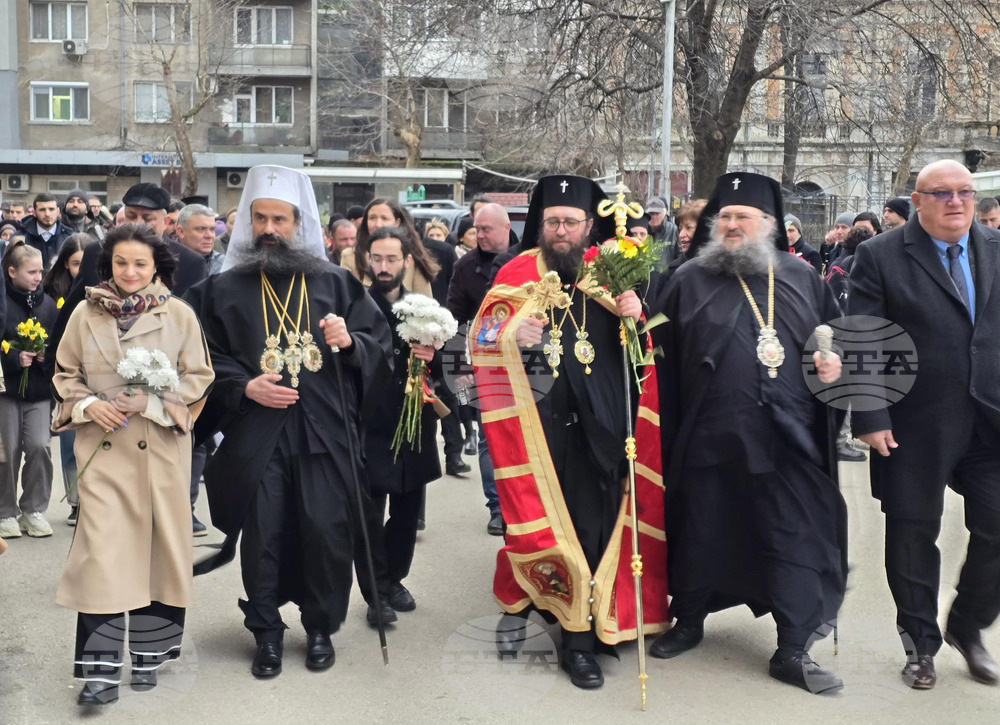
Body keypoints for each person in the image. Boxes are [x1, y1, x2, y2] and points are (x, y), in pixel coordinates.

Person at [186, 165, 392, 679]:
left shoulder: (337, 282)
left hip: (325, 433)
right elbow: (199, 355)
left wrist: (351, 343)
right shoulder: (222, 289)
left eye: (280, 218)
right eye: (261, 218)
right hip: (260, 435)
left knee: (326, 533)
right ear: (248, 223)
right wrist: (242, 386)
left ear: (299, 223)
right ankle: (267, 633)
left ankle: (320, 627)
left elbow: (380, 344)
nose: (270, 229)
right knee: (265, 536)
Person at [649, 172, 847, 695]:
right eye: (726, 217)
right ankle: (688, 620)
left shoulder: (804, 279)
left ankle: (792, 647)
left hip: (788, 440)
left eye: (744, 217)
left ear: (771, 226)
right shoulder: (686, 279)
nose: (732, 224)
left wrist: (832, 367)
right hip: (708, 436)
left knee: (791, 538)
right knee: (700, 530)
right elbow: (656, 365)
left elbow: (835, 342)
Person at [471, 175, 670, 689]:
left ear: (589, 226)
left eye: (571, 223)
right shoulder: (516, 272)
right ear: (541, 226)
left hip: (601, 425)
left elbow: (640, 353)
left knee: (596, 525)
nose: (561, 231)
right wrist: (516, 335)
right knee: (530, 521)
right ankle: (524, 605)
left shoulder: (611, 270)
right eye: (553, 222)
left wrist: (634, 315)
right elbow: (480, 341)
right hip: (537, 427)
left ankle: (583, 634)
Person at [849, 159, 1000, 690]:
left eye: (963, 192)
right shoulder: (880, 256)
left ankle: (967, 626)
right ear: (916, 201)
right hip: (913, 421)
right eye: (941, 194)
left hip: (989, 421)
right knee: (913, 532)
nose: (955, 202)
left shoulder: (996, 248)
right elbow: (863, 336)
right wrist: (869, 413)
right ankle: (920, 646)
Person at [51, 223, 214, 706]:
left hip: (160, 455)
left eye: (140, 264)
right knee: (102, 556)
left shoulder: (179, 315)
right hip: (102, 454)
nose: (129, 272)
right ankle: (98, 675)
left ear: (156, 268)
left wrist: (153, 405)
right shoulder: (84, 314)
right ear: (108, 265)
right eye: (120, 262)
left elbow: (199, 378)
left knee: (156, 555)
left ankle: (149, 654)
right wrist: (85, 407)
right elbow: (64, 373)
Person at [359, 226, 442, 616]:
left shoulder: (427, 310)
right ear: (367, 261)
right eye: (377, 259)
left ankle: (394, 578)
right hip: (371, 424)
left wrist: (433, 358)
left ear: (407, 261)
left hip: (415, 425)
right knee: (371, 513)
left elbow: (452, 369)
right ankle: (376, 592)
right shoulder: (356, 307)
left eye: (392, 259)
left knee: (407, 512)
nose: (384, 266)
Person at [446, 203, 511, 535]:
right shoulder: (466, 267)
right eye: (477, 229)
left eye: (486, 229)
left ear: (506, 228)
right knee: (489, 437)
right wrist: (458, 364)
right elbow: (453, 319)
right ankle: (497, 507)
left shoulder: (527, 258)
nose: (480, 235)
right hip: (485, 363)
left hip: (529, 360)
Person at [0, 242, 58, 540]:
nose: (38, 277)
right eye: (31, 271)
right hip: (7, 391)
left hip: (38, 390)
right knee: (6, 451)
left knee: (39, 446)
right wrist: (13, 358)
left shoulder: (48, 304)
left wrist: (46, 355)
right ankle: (5, 512)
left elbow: (59, 344)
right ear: (11, 272)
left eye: (41, 271)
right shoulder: (2, 302)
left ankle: (33, 509)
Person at [42, 233, 95, 525]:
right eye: (76, 263)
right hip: (67, 372)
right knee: (71, 440)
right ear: (66, 263)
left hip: (98, 370)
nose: (80, 269)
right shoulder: (52, 292)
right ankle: (76, 501)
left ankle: (95, 499)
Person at [340, 198, 439, 298]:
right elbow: (344, 299)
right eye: (372, 218)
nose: (378, 224)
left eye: (384, 218)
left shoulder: (413, 257)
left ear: (397, 222)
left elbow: (425, 303)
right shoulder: (350, 256)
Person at [21, 194, 71, 269]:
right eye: (42, 210)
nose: (47, 214)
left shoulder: (70, 237)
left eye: (51, 209)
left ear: (58, 212)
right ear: (34, 213)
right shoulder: (21, 237)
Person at [175, 204, 224, 276]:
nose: (209, 235)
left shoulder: (225, 265)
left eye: (212, 229)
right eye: (201, 229)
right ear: (181, 232)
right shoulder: (162, 262)